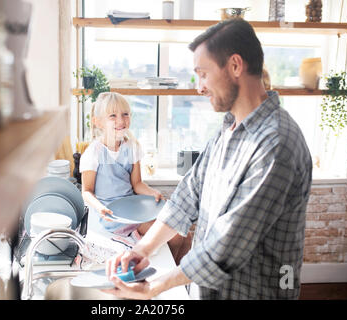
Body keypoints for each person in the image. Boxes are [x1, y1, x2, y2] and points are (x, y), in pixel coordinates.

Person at [103, 18, 313, 300]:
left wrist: (156, 287)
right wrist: (142, 249)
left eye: (203, 74)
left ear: (236, 66)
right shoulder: (230, 128)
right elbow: (188, 195)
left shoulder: (276, 146)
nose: (199, 87)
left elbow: (227, 246)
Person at [80, 92, 164, 239]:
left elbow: (137, 184)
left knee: (184, 235)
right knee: (173, 235)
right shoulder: (93, 152)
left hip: (132, 208)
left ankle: (175, 263)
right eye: (113, 116)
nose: (121, 120)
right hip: (112, 215)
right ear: (98, 122)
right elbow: (86, 191)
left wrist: (152, 193)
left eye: (125, 114)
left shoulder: (132, 147)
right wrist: (100, 208)